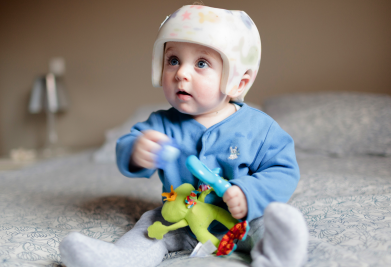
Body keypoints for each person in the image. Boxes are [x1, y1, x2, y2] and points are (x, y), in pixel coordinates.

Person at [60, 5, 308, 267]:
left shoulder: (259, 129)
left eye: (201, 63)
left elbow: (284, 170)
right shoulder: (161, 123)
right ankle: (116, 260)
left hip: (240, 220)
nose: (180, 73)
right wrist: (137, 151)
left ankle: (281, 256)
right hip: (179, 219)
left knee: (269, 223)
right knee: (149, 226)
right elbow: (126, 147)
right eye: (173, 60)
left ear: (239, 82)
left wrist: (249, 194)